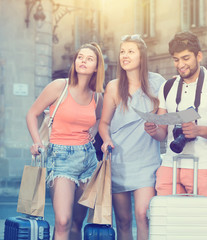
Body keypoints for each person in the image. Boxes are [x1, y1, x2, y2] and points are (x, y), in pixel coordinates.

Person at [26, 42, 105, 240]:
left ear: (96, 67)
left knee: (77, 224)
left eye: (89, 59)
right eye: (80, 57)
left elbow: (98, 119)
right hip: (60, 158)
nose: (83, 61)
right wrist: (38, 142)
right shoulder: (59, 87)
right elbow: (32, 114)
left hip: (88, 160)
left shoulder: (97, 96)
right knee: (62, 221)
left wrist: (91, 134)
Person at [144, 31, 207, 197]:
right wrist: (153, 130)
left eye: (186, 58)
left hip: (204, 165)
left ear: (198, 56)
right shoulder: (168, 86)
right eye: (176, 59)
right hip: (171, 163)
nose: (180, 65)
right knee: (167, 219)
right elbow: (162, 132)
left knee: (199, 221)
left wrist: (198, 131)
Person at [99, 34, 165, 240]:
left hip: (147, 161)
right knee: (123, 220)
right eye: (122, 52)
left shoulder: (158, 83)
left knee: (144, 215)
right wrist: (106, 139)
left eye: (130, 51)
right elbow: (104, 124)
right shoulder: (113, 87)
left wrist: (155, 130)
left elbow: (163, 130)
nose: (124, 56)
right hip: (119, 161)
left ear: (142, 56)